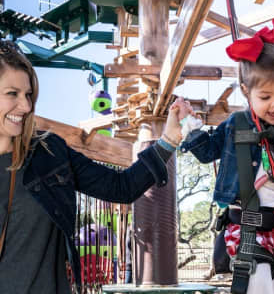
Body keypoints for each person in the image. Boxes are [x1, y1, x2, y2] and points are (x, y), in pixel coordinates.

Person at [0, 40, 182, 294]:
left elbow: (122, 187)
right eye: (12, 94)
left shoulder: (48, 151)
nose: (27, 106)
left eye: (28, 94)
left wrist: (168, 141)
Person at [177, 19, 274, 294]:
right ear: (246, 91)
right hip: (248, 229)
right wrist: (189, 125)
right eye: (265, 96)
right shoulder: (236, 125)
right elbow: (207, 152)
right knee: (260, 285)